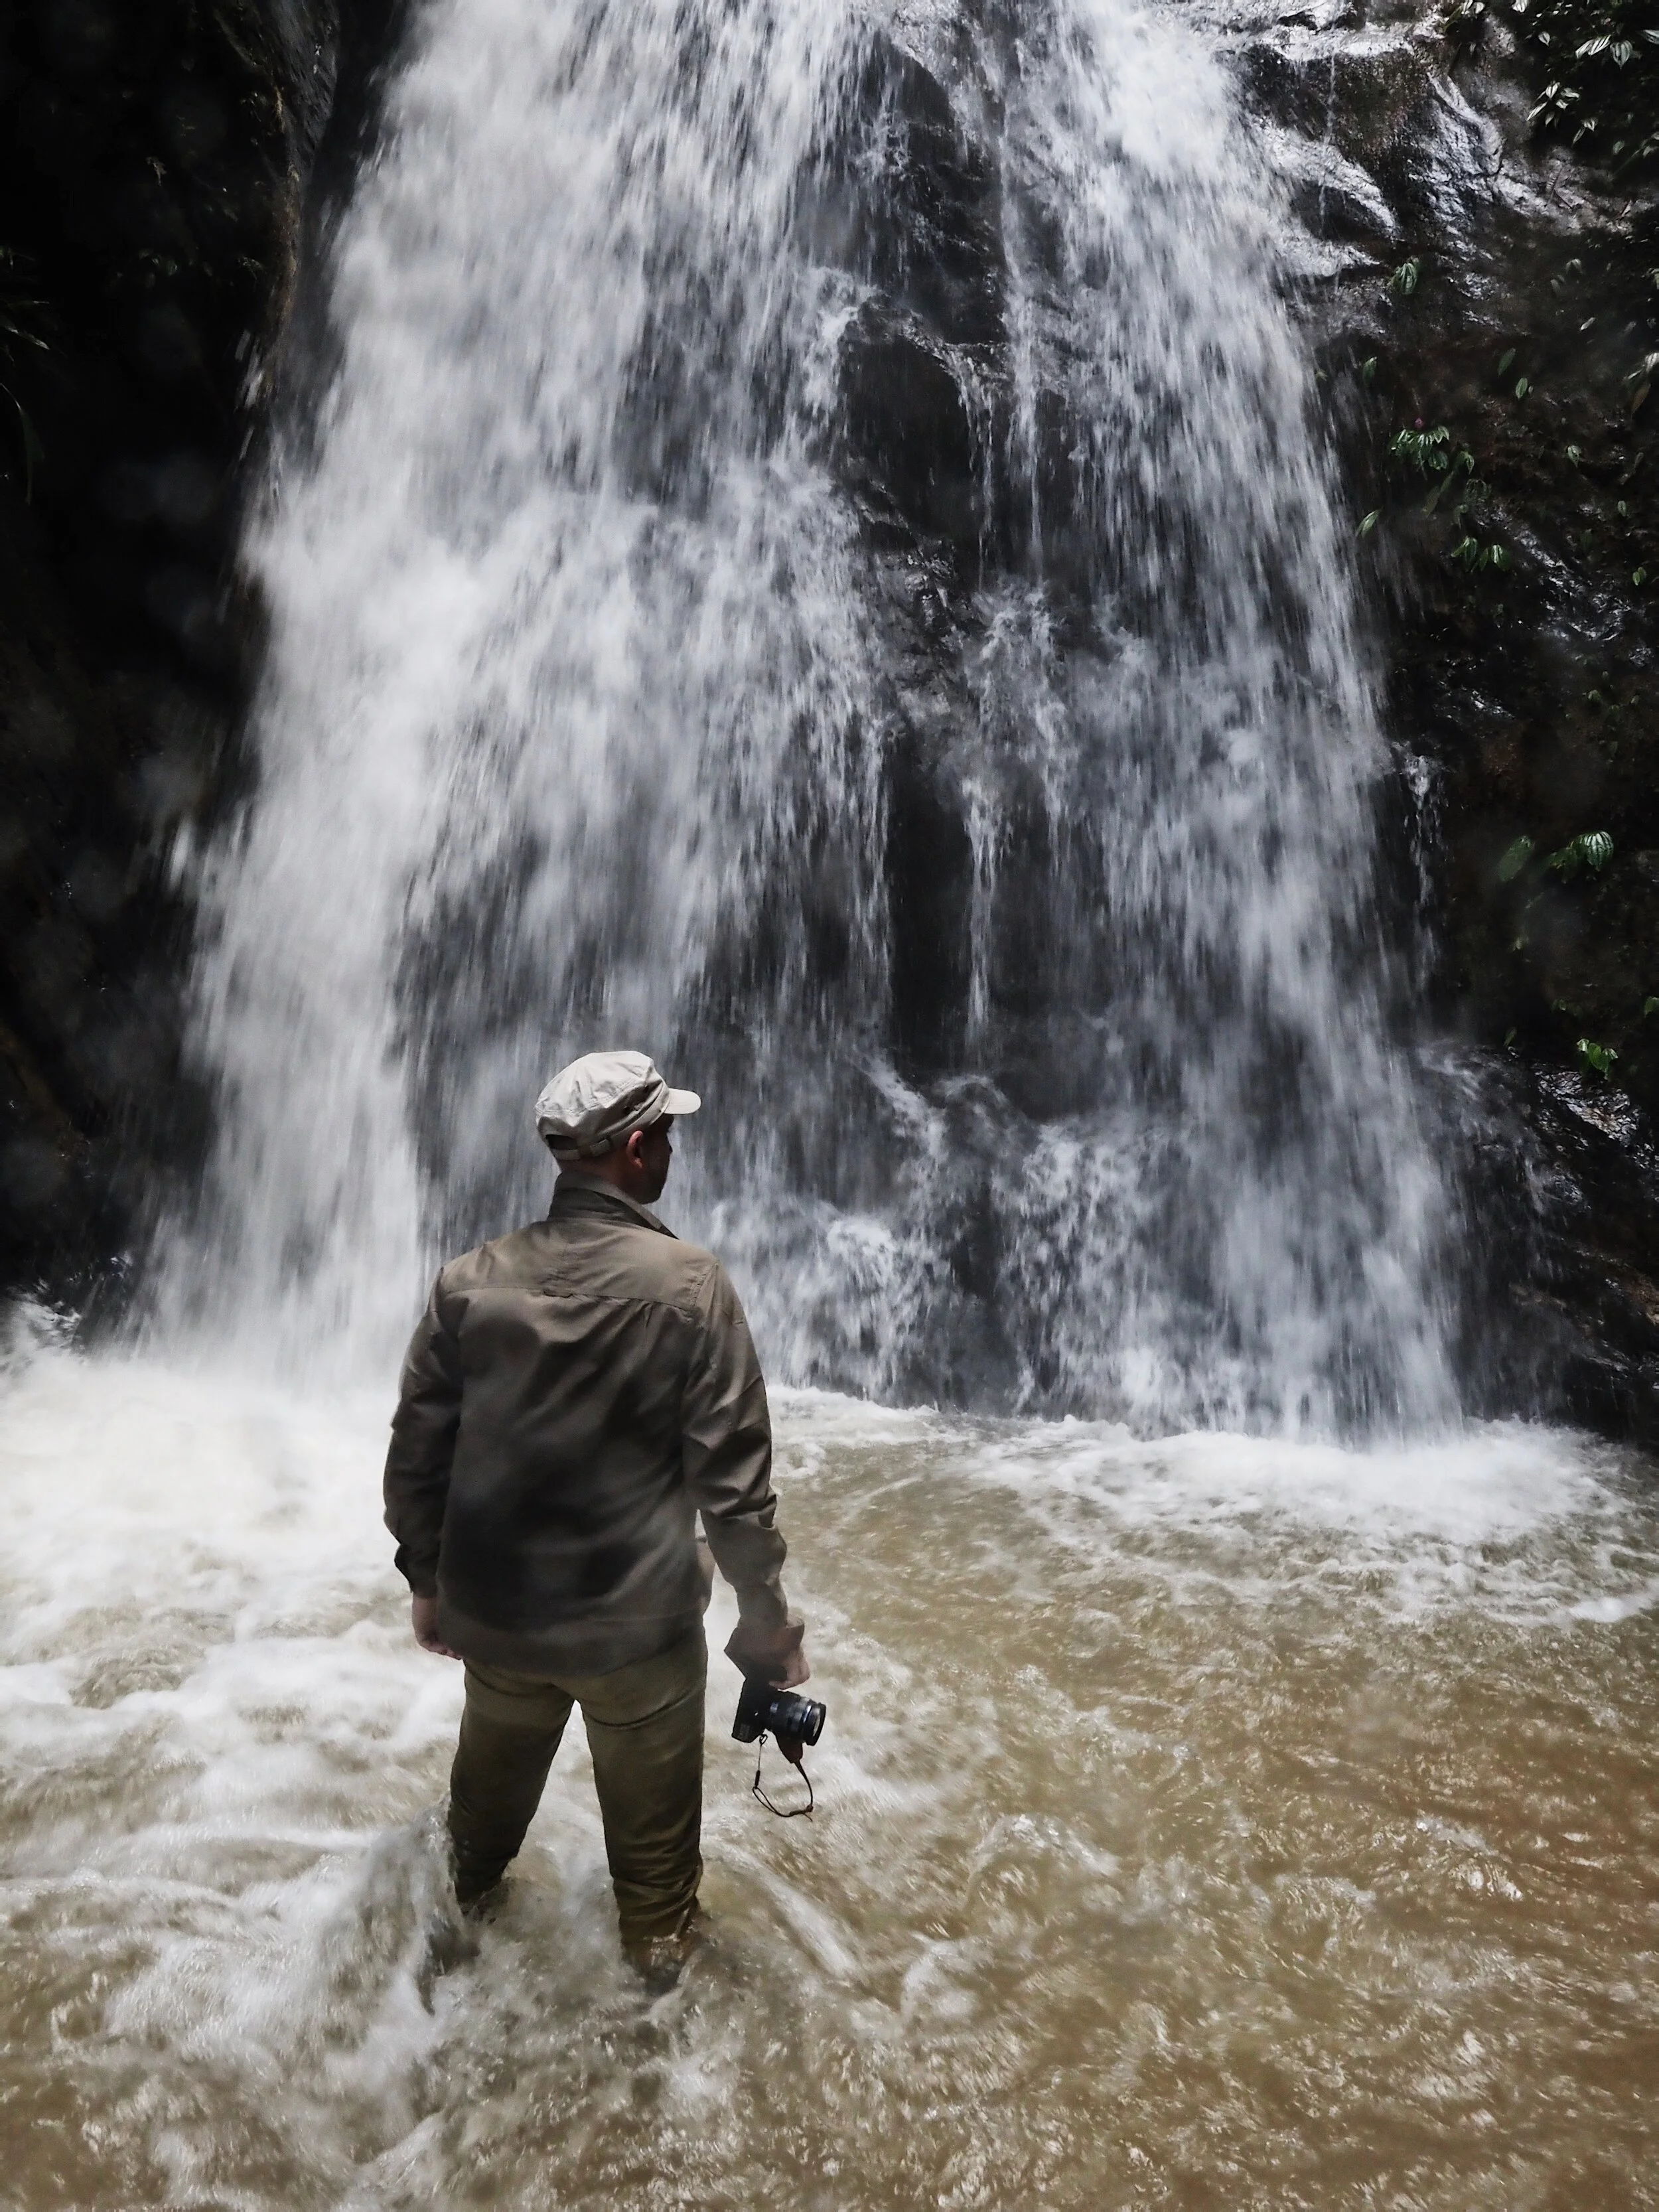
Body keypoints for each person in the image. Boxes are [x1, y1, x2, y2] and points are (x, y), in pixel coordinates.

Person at [382, 1049, 808, 1984]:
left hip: (495, 1624)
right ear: (639, 1147)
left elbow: (416, 1456)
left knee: (470, 1858)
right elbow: (734, 1491)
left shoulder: (467, 1282)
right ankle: (657, 2080)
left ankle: (421, 2011)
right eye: (669, 1136)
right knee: (658, 1906)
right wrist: (770, 1628)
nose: (672, 1153)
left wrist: (428, 1585)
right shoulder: (691, 1288)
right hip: (637, 1640)